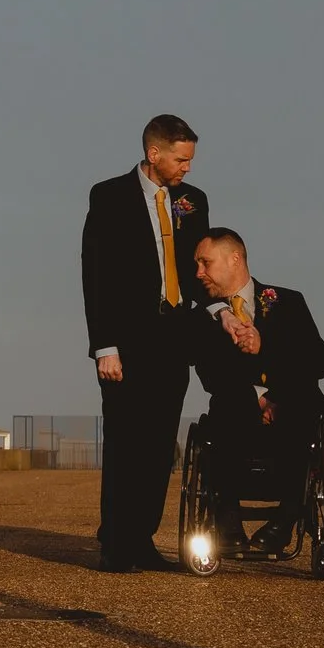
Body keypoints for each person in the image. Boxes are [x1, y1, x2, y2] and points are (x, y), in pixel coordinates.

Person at [80, 114, 210, 572]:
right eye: (181, 159)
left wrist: (221, 313)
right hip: (126, 344)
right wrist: (104, 345)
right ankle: (115, 543)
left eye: (191, 160)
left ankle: (142, 540)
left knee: (158, 447)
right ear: (154, 154)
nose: (187, 169)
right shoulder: (109, 196)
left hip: (174, 339)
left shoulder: (194, 201)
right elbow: (95, 274)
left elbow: (202, 272)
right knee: (124, 443)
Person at [188, 227, 324, 556]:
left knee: (302, 405)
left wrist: (269, 364)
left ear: (234, 258)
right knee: (230, 402)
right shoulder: (205, 318)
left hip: (292, 409)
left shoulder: (289, 302)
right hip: (235, 414)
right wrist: (258, 397)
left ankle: (287, 517)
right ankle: (228, 519)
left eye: (205, 263)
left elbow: (318, 362)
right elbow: (211, 375)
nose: (199, 272)